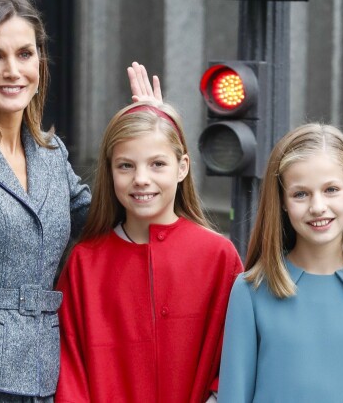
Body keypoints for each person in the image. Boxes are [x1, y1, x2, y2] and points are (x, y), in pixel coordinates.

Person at [0, 0, 159, 402]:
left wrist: (151, 138)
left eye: (25, 54)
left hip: (47, 372)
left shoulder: (51, 154)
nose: (13, 70)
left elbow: (105, 220)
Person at [55, 101, 243, 403]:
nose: (141, 178)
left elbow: (237, 355)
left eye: (157, 164)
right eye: (126, 165)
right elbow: (68, 367)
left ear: (182, 167)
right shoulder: (85, 263)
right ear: (110, 171)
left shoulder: (218, 256)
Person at [217, 123, 343, 403]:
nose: (318, 206)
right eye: (300, 194)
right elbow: (233, 397)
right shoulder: (251, 291)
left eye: (331, 189)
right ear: (283, 202)